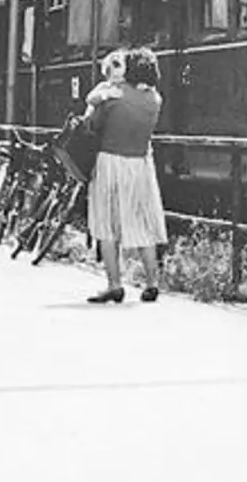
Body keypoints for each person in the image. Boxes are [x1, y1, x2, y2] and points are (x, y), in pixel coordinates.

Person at [83, 47, 169, 304]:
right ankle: (152, 283)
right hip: (141, 165)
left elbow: (91, 125)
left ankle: (114, 285)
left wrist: (98, 99)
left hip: (110, 162)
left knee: (106, 224)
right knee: (142, 223)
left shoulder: (113, 96)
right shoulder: (155, 100)